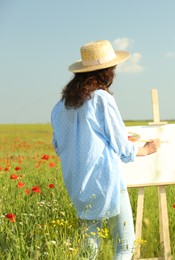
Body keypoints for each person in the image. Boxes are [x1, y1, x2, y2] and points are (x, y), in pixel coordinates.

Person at [51, 40, 160, 259]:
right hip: (106, 180)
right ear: (106, 72)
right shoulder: (101, 98)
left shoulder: (60, 106)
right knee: (125, 243)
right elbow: (120, 144)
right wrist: (145, 150)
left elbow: (59, 145)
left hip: (78, 182)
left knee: (89, 245)